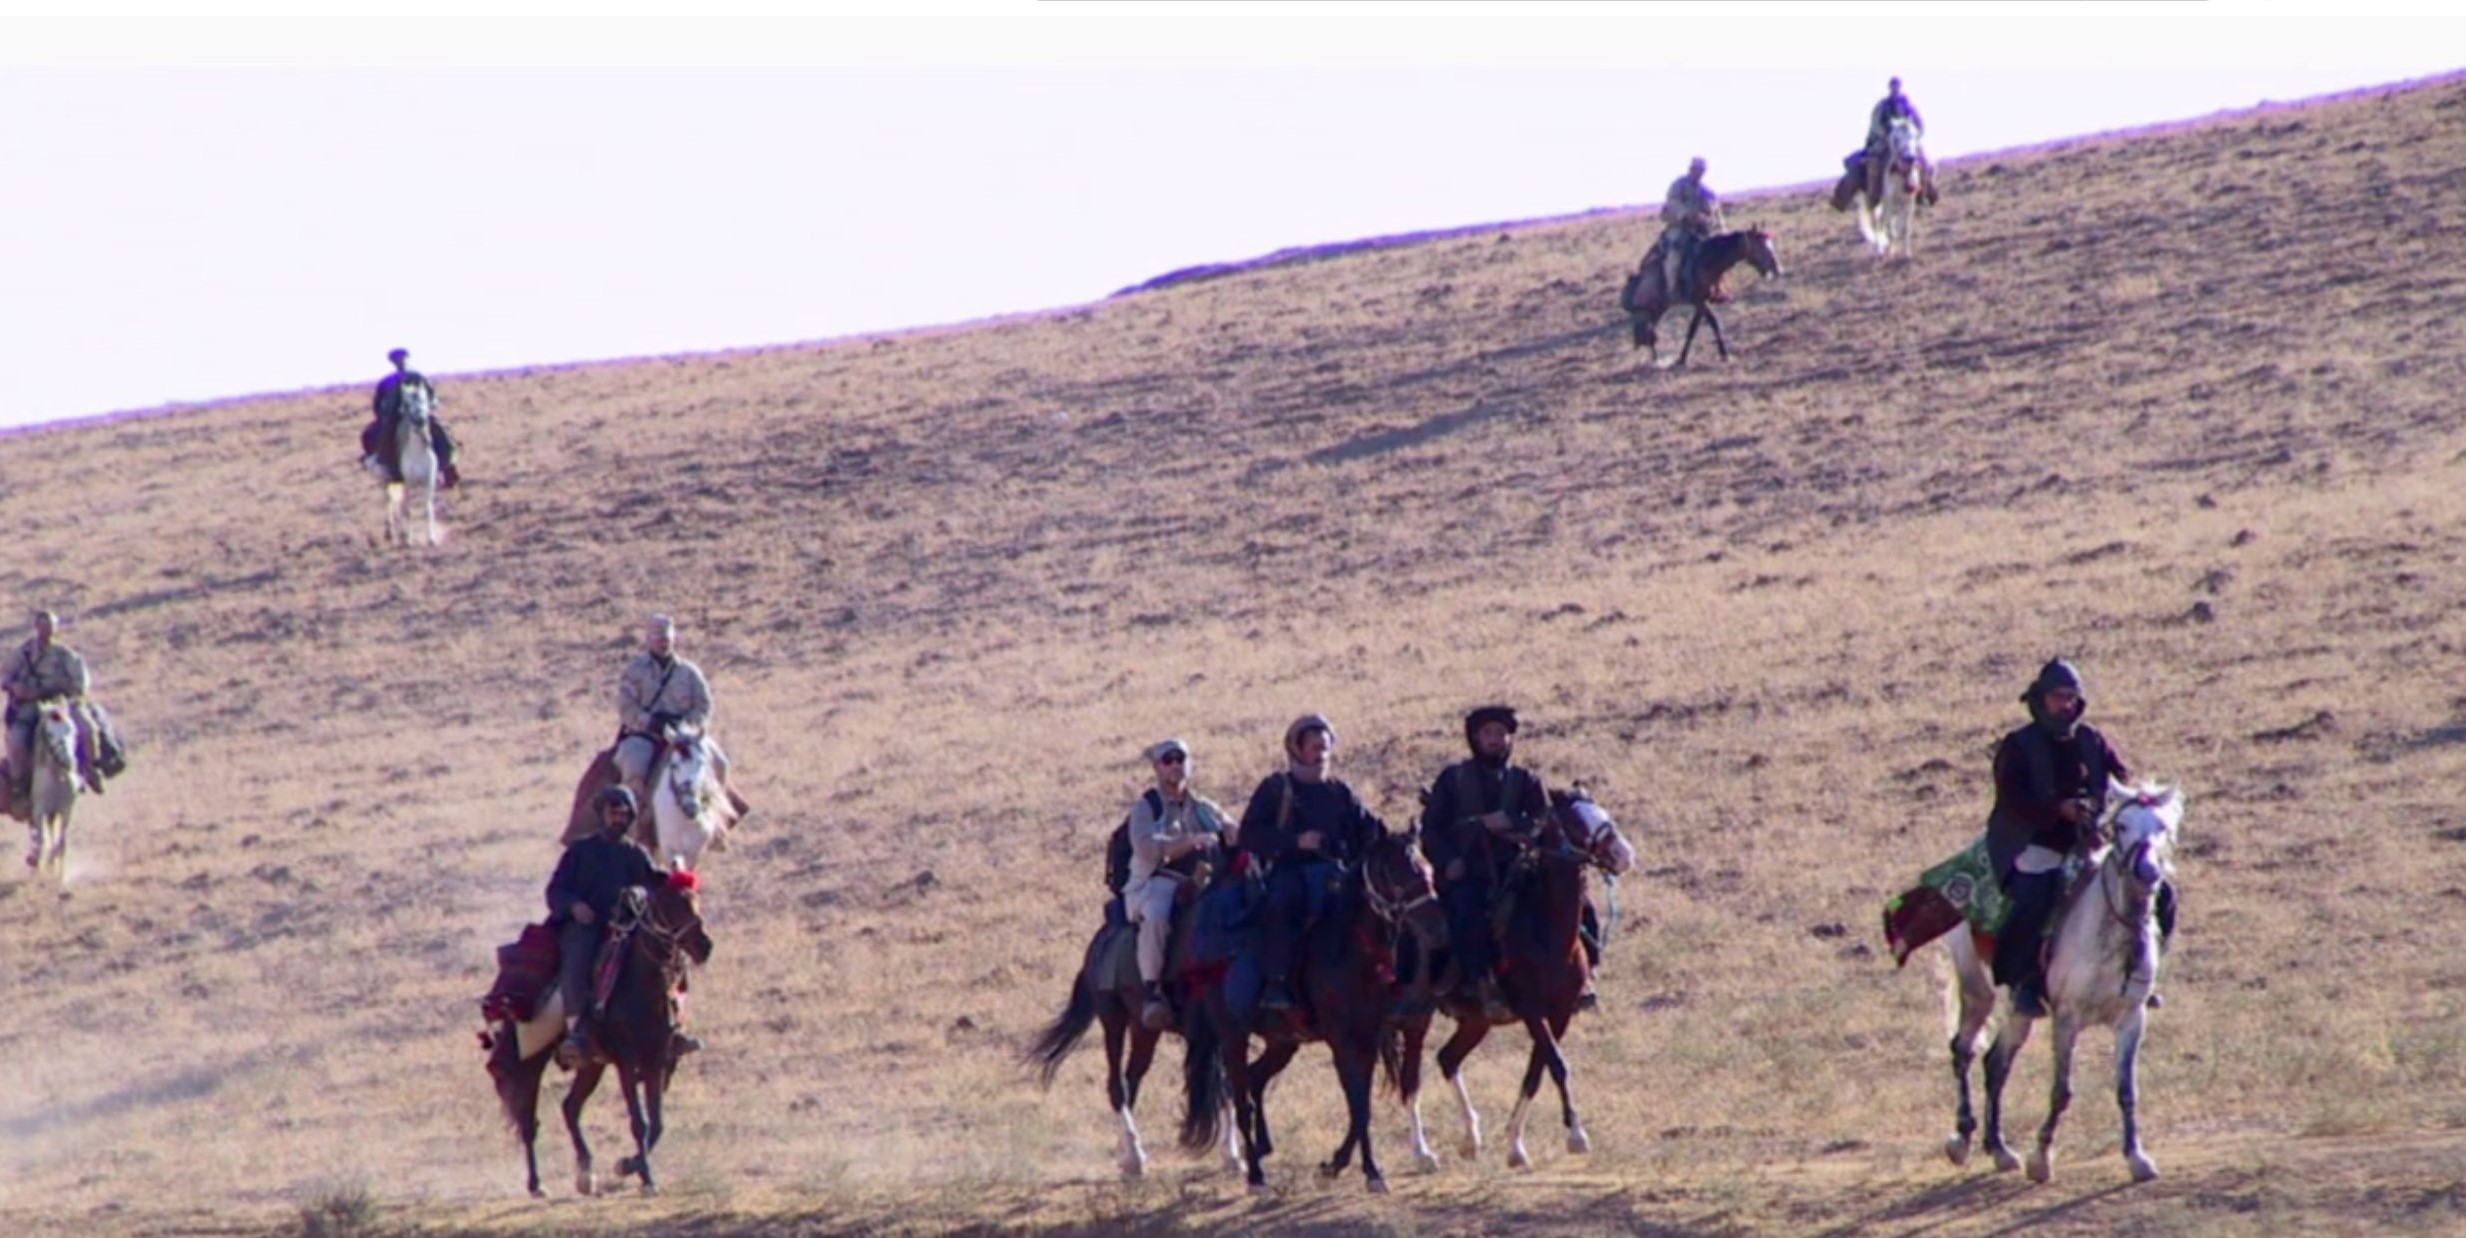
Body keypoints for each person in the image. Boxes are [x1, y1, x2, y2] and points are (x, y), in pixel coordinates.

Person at [1985, 658, 2176, 1017]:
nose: (2067, 705)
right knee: (2034, 898)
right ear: (2041, 699)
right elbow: (2011, 802)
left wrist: (2122, 802)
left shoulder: (2092, 739)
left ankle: (2146, 975)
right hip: (2035, 844)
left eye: (2072, 697)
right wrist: (2058, 810)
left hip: (2091, 843)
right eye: (2059, 697)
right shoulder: (2018, 746)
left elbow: (2120, 778)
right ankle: (2025, 983)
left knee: (2162, 893)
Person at [1235, 714, 1388, 1012]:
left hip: (1338, 874)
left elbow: (1368, 830)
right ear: (1297, 750)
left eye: (1325, 748)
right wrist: (1295, 842)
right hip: (1290, 871)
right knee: (1283, 903)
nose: (1321, 755)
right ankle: (1276, 983)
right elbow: (1249, 834)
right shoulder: (1276, 788)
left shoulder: (1340, 791)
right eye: (1315, 748)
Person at [1420, 706, 1553, 1020]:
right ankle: (1481, 983)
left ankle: (1580, 975)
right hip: (1468, 871)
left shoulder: (1526, 780)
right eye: (1488, 734)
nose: (1495, 740)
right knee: (1467, 912)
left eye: (1501, 734)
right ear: (1475, 738)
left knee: (1567, 901)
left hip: (1517, 869)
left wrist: (1512, 823)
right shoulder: (1453, 779)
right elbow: (1432, 830)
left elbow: (1544, 822)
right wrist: (1449, 860)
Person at [545, 786, 669, 1068]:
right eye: (613, 812)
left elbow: (652, 885)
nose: (619, 818)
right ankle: (577, 1031)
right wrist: (575, 906)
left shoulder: (636, 853)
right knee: (578, 959)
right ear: (601, 815)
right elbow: (555, 891)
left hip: (624, 927)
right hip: (585, 926)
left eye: (624, 813)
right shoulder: (579, 851)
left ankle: (670, 1027)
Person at [1122, 738, 1233, 1030]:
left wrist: (1237, 831)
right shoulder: (1146, 807)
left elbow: (1230, 829)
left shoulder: (1205, 807)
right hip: (1155, 882)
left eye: (1180, 759)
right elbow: (1146, 848)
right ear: (1157, 768)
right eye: (1167, 760)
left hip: (1201, 883)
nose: (1174, 766)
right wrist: (1190, 842)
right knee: (1158, 916)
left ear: (1190, 764)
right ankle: (1153, 992)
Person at [612, 613, 749, 829]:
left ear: (673, 639)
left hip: (685, 736)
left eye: (666, 638)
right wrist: (649, 722)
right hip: (645, 735)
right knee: (633, 763)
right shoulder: (635, 671)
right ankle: (636, 823)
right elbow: (625, 706)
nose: (662, 642)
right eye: (657, 638)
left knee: (720, 763)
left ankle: (717, 821)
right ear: (648, 639)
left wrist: (688, 726)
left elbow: (704, 705)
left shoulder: (689, 672)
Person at [4, 610, 96, 816]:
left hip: (61, 704)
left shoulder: (66, 655)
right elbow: (5, 674)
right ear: (37, 628)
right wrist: (15, 687)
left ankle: (90, 768)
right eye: (43, 626)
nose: (47, 631)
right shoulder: (24, 653)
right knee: (17, 739)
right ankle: (19, 784)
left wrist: (66, 690)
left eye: (51, 627)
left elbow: (81, 683)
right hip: (30, 706)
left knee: (87, 727)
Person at [363, 347, 460, 487]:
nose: (400, 362)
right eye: (396, 360)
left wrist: (428, 408)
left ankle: (448, 465)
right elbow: (378, 403)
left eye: (402, 359)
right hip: (394, 417)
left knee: (441, 431)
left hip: (419, 414)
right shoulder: (386, 382)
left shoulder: (418, 377)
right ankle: (386, 465)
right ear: (393, 362)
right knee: (376, 434)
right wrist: (383, 416)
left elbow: (432, 397)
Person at [1658, 157, 1726, 299]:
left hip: (1703, 230)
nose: (1698, 173)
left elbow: (1716, 213)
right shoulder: (1678, 185)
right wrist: (1687, 215)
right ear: (1690, 169)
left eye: (1701, 171)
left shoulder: (1707, 191)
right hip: (1680, 227)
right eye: (1696, 170)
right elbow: (1671, 204)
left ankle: (1718, 287)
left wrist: (1717, 228)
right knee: (1675, 252)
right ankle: (1672, 289)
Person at [1862, 77, 1937, 206]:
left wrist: (1916, 134)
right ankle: (1874, 195)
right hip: (1887, 140)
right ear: (1889, 88)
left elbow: (1919, 122)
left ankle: (1924, 192)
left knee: (1927, 162)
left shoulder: (1907, 105)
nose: (1895, 89)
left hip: (1907, 140)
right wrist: (1886, 134)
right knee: (1874, 161)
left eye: (1897, 86)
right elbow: (1875, 125)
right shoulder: (1882, 106)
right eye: (1893, 86)